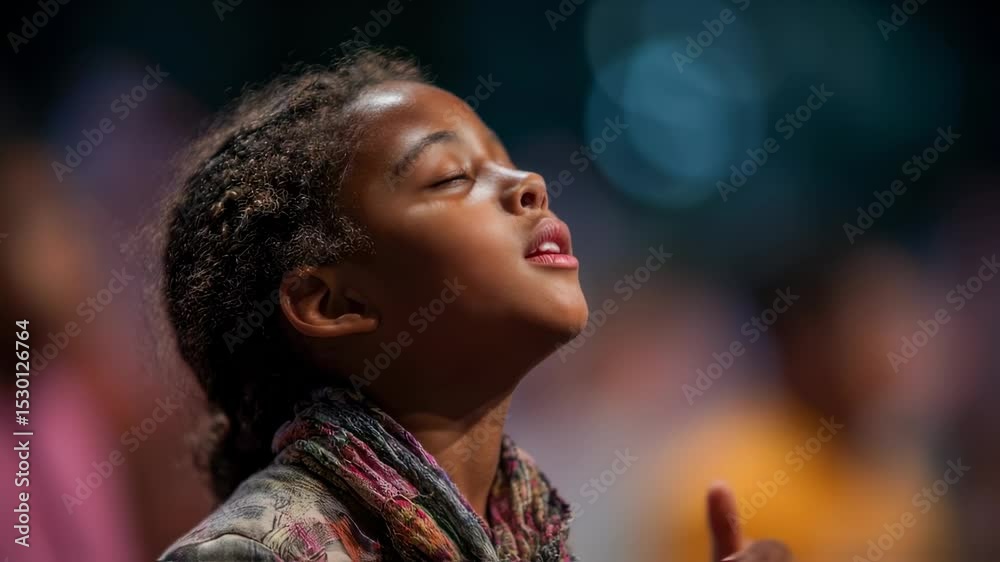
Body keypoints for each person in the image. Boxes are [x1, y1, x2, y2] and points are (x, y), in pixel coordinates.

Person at [157, 49, 780, 561]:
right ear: (333, 302)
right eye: (452, 177)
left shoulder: (523, 538)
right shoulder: (253, 554)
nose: (530, 185)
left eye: (507, 163)